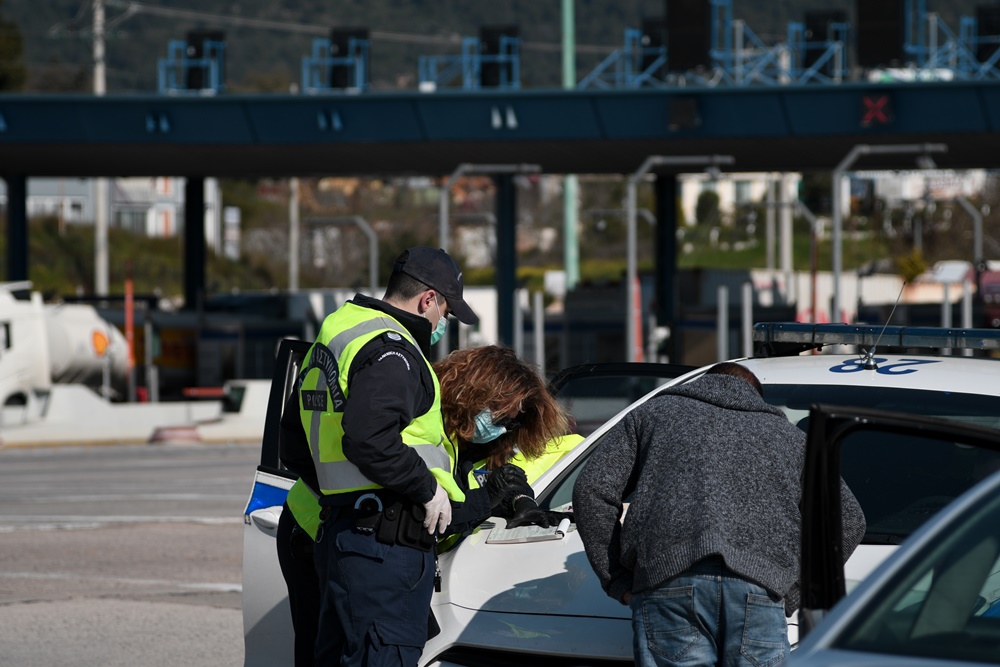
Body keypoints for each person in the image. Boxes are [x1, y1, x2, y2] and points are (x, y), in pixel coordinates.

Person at [572, 362, 866, 667]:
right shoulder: (793, 440)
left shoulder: (651, 416)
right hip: (759, 590)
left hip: (668, 581)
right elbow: (850, 521)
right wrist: (792, 589)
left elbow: (592, 489)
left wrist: (617, 579)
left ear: (700, 384)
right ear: (756, 397)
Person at [284, 246, 482, 667]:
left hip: (343, 536)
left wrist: (344, 501)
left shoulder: (338, 331)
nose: (441, 323)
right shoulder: (392, 348)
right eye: (445, 312)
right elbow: (369, 438)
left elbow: (294, 443)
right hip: (385, 548)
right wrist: (426, 488)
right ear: (428, 299)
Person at [433, 344, 583, 550]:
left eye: (511, 424)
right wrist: (485, 498)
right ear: (472, 396)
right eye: (501, 418)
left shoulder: (489, 444)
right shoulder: (430, 435)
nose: (503, 430)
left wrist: (520, 500)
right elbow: (432, 520)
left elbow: (497, 482)